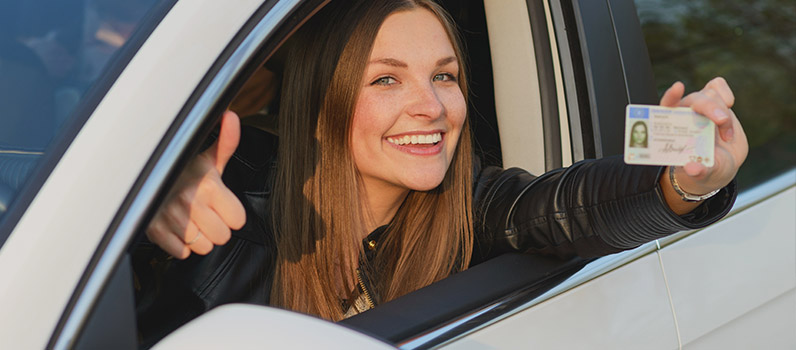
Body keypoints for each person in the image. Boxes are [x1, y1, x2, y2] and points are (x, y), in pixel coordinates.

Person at [136, 0, 747, 341]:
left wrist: (687, 182)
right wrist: (148, 205)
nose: (431, 106)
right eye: (386, 78)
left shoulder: (475, 209)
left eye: (445, 76)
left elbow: (569, 207)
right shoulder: (223, 198)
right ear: (320, 101)